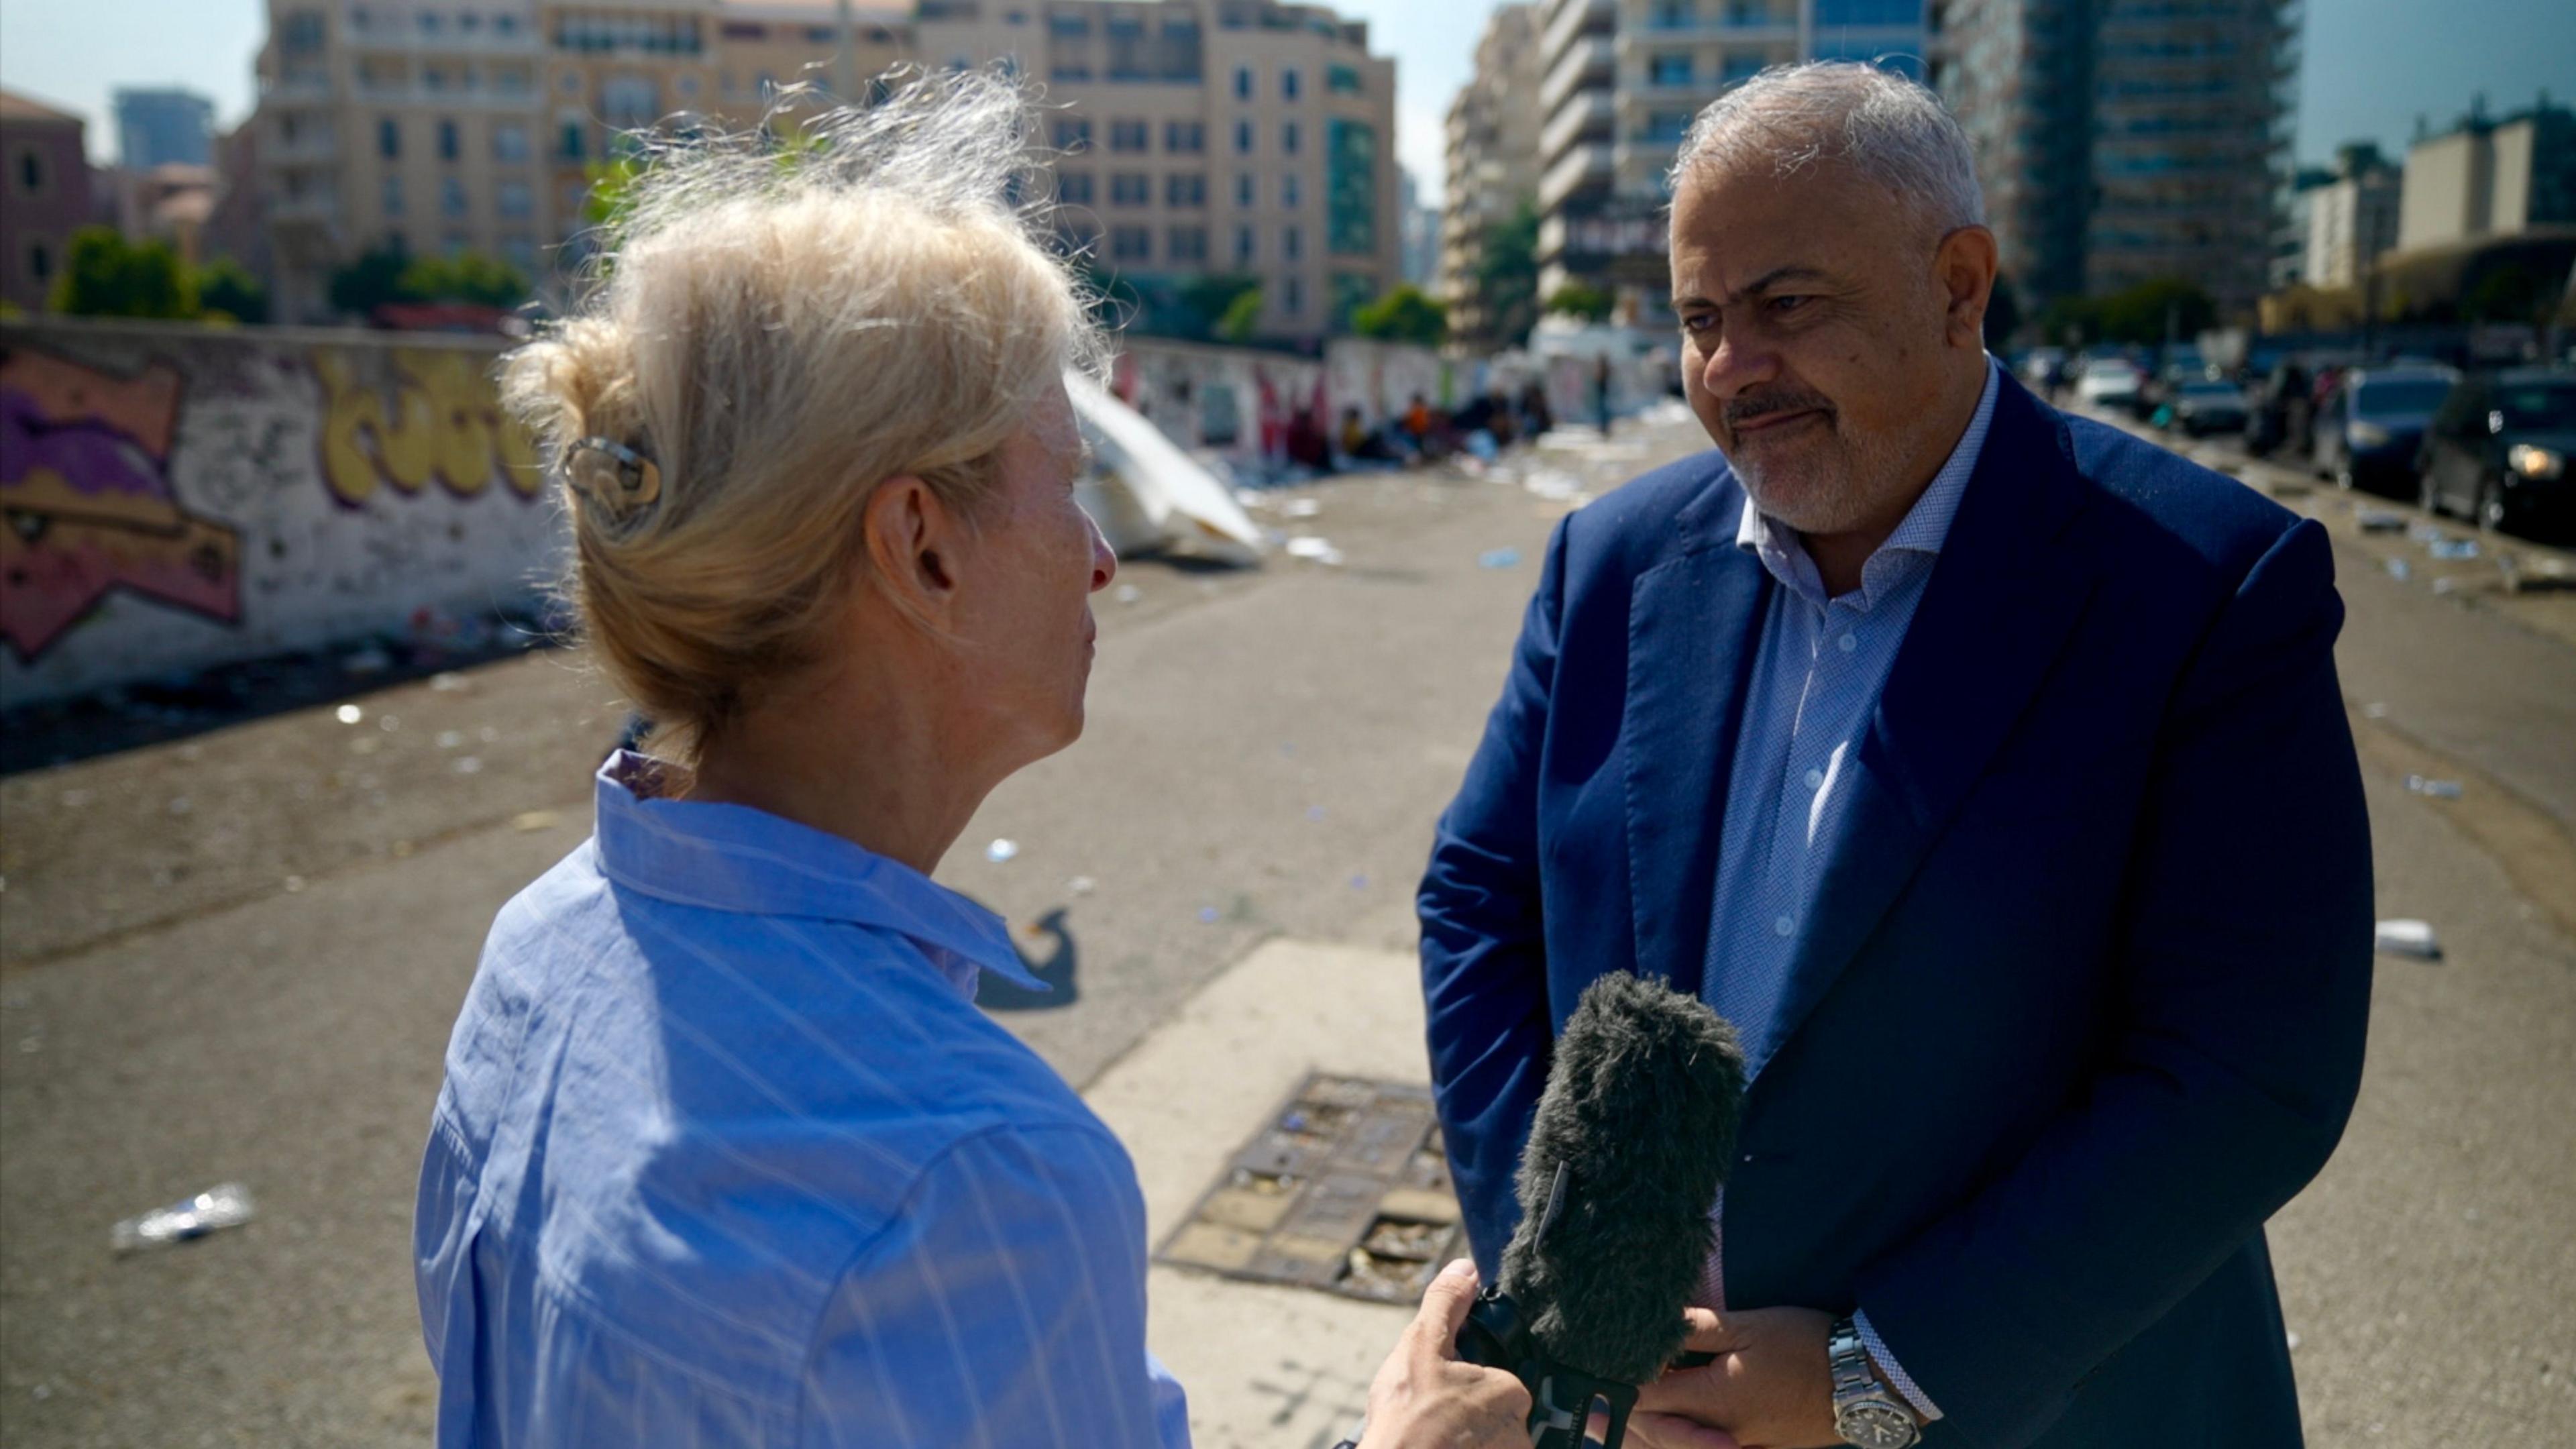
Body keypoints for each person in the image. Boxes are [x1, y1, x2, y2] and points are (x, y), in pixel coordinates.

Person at [415, 70, 1528, 1449]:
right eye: (1066, 481)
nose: (1107, 555)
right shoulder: (973, 1179)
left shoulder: (539, 950)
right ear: (923, 550)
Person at [1418, 62, 2370, 1449]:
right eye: (1700, 320)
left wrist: (1878, 1384)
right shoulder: (1611, 567)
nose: (1734, 369)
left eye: (1787, 307)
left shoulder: (2202, 589)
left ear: (1959, 286)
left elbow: (2249, 1072)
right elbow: (1475, 905)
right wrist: (1569, 1284)